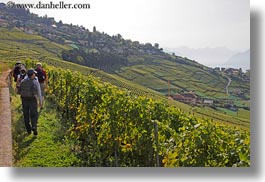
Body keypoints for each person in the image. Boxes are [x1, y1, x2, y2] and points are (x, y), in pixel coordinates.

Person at [19, 69, 43, 135]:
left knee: (26, 114)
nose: (35, 75)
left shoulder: (23, 81)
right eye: (34, 74)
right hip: (32, 99)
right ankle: (34, 127)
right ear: (32, 75)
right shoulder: (35, 82)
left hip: (24, 99)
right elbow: (38, 92)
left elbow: (19, 91)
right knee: (34, 114)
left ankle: (28, 130)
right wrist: (39, 101)